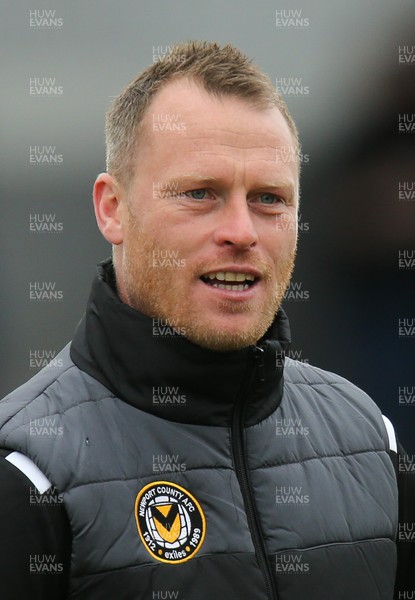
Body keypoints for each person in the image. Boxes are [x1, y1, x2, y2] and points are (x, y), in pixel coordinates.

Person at [0, 41, 413, 600]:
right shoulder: (27, 469)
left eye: (269, 198)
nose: (242, 231)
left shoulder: (370, 440)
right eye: (200, 193)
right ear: (112, 209)